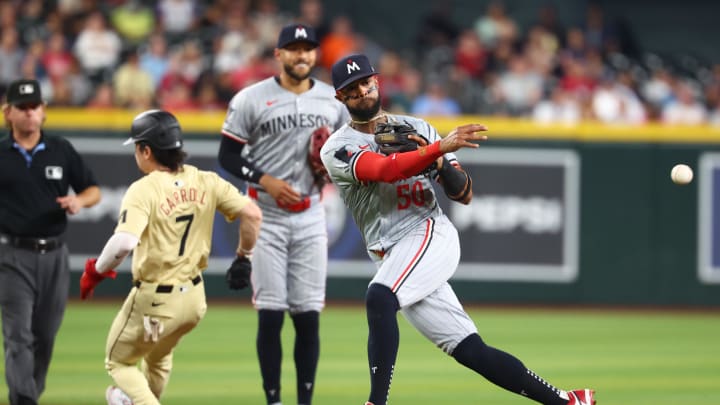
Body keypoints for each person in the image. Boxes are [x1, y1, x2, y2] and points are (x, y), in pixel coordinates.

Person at [320, 54, 597, 405]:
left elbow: (462, 193)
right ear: (340, 98)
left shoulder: (417, 126)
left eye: (365, 82)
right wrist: (437, 148)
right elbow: (384, 171)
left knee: (379, 297)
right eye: (351, 88)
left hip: (428, 231)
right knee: (471, 351)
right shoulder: (337, 148)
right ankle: (567, 401)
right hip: (392, 253)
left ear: (377, 81)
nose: (361, 90)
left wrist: (437, 160)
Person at [80, 109, 262, 405]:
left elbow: (123, 243)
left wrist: (95, 273)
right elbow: (252, 213)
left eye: (138, 147)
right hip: (193, 301)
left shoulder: (144, 189)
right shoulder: (206, 180)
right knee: (158, 358)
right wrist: (244, 257)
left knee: (119, 362)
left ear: (146, 150)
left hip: (155, 298)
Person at [218, 23, 349, 405]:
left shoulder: (332, 101)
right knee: (271, 314)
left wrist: (333, 167)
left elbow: (349, 152)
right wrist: (264, 179)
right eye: (293, 49)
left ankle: (304, 401)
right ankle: (274, 400)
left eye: (308, 49)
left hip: (310, 214)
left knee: (308, 315)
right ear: (278, 54)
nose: (302, 55)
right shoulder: (251, 98)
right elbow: (227, 155)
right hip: (266, 214)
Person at [0, 78, 101, 405]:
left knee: (44, 337)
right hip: (11, 255)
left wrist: (79, 202)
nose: (29, 113)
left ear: (44, 111)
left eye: (35, 107)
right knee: (18, 338)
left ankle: (30, 394)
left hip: (54, 255)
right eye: (22, 108)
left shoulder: (60, 150)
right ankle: (24, 401)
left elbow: (93, 190)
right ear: (8, 113)